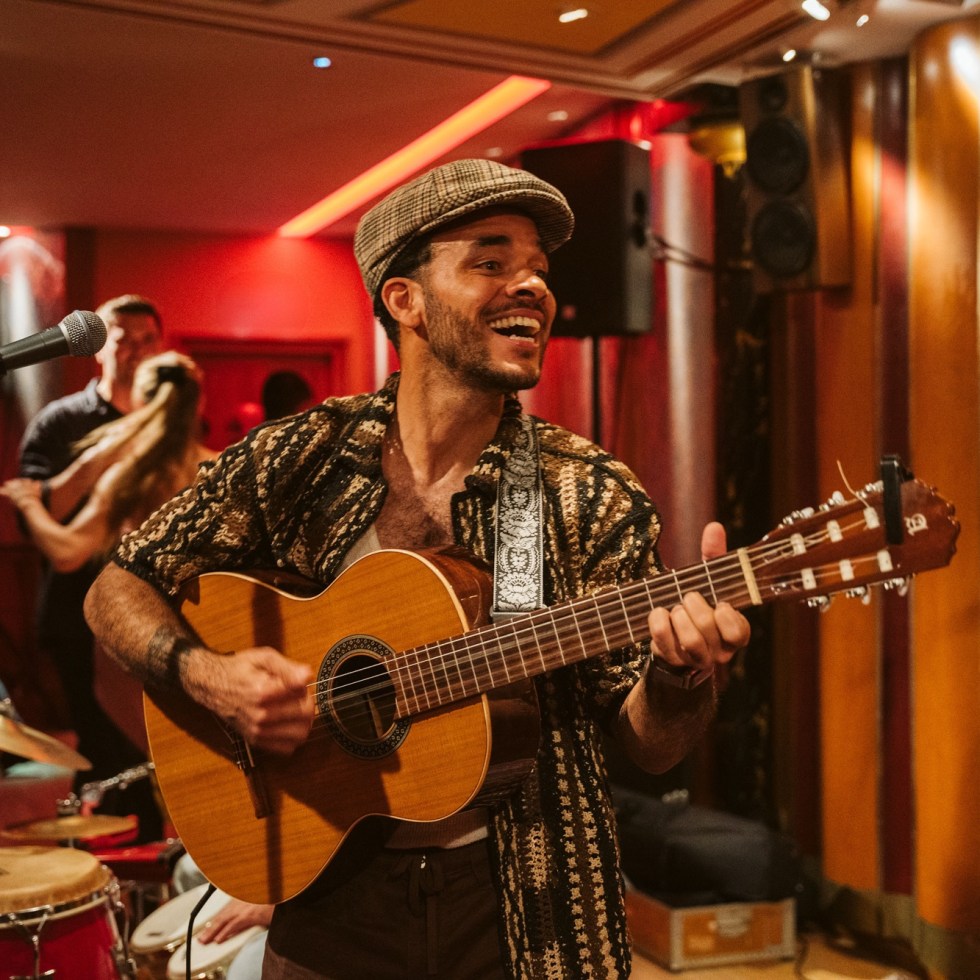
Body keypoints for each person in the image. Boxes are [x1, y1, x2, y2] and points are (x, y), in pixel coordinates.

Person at [84, 159, 750, 978]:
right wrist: (210, 676)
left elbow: (650, 746)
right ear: (405, 300)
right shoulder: (302, 457)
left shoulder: (584, 491)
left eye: (538, 267)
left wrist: (681, 676)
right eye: (491, 261)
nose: (533, 286)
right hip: (326, 893)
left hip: (524, 905)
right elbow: (118, 585)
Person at [16, 294, 164, 839]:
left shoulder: (167, 420)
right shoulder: (60, 422)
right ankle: (120, 856)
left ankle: (148, 850)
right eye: (124, 340)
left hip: (151, 608)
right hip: (77, 614)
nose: (137, 351)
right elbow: (38, 517)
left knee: (152, 743)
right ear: (100, 347)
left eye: (148, 341)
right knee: (104, 748)